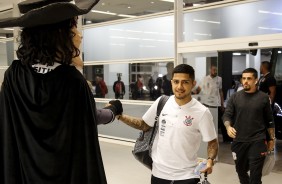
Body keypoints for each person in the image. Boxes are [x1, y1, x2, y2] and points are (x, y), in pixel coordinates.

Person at [0, 1, 123, 184]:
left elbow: (7, 138)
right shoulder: (73, 82)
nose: (79, 35)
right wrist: (113, 111)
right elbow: (86, 145)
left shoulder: (14, 76)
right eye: (73, 28)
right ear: (59, 34)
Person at [117, 64, 218, 184]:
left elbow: (212, 142)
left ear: (193, 83)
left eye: (185, 82)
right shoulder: (162, 102)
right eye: (176, 82)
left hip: (187, 175)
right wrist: (120, 116)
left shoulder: (202, 112)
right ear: (172, 82)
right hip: (159, 173)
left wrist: (210, 160)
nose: (179, 86)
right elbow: (144, 125)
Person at [223, 68, 275, 184]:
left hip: (258, 140)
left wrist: (271, 138)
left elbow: (269, 120)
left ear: (256, 80)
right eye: (244, 78)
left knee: (255, 176)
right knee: (241, 171)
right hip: (239, 141)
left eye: (249, 78)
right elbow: (227, 115)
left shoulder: (263, 98)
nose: (245, 81)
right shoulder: (235, 97)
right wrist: (228, 127)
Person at [196, 65, 232, 143]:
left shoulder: (219, 79)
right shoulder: (205, 79)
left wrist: (222, 104)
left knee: (222, 121)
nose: (215, 71)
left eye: (216, 70)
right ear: (210, 70)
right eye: (213, 70)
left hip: (216, 104)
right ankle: (207, 139)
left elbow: (220, 91)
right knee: (207, 121)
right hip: (206, 104)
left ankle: (226, 139)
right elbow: (198, 90)